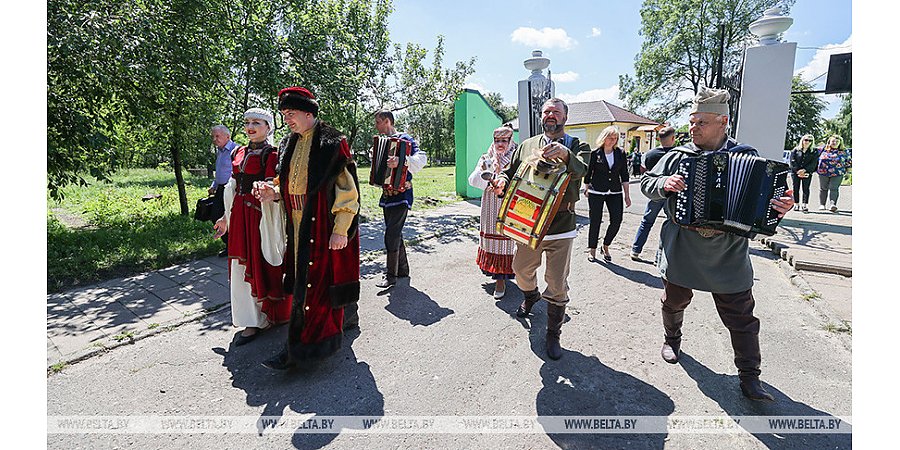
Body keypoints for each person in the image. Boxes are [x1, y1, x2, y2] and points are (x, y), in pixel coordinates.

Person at [640, 87, 794, 401]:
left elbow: (774, 197)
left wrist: (781, 206)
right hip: (683, 247)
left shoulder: (747, 156)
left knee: (741, 317)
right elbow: (646, 183)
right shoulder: (677, 155)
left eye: (701, 122)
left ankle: (750, 377)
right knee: (673, 301)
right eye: (692, 121)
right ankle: (672, 339)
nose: (692, 128)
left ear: (723, 122)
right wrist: (663, 184)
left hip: (728, 252)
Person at [254, 87, 362, 370]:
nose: (287, 119)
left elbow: (348, 191)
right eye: (284, 114)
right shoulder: (289, 143)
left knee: (315, 288)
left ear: (308, 112)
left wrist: (341, 229)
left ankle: (301, 350)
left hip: (322, 226)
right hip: (298, 226)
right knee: (306, 283)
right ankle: (326, 332)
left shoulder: (332, 143)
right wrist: (272, 191)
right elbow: (287, 181)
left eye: (290, 114)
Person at [496, 98, 589, 360]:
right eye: (547, 111)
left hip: (561, 224)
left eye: (556, 112)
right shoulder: (526, 145)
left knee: (557, 282)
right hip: (528, 223)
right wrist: (502, 182)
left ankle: (553, 333)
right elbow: (509, 171)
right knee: (521, 270)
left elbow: (584, 170)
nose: (550, 115)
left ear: (565, 118)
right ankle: (531, 295)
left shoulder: (577, 145)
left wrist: (566, 155)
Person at [212, 108, 289, 346]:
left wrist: (266, 192)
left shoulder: (272, 154)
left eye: (257, 122)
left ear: (268, 127)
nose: (251, 126)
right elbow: (232, 186)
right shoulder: (238, 151)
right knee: (238, 265)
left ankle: (266, 315)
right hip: (238, 215)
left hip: (258, 216)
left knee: (259, 262)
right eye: (247, 122)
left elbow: (273, 185)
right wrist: (225, 217)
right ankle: (249, 319)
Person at [373, 110, 428, 289]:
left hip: (402, 194)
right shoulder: (380, 143)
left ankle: (390, 275)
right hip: (387, 195)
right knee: (395, 232)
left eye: (378, 122)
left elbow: (421, 158)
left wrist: (402, 160)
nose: (376, 125)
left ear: (387, 121)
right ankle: (402, 269)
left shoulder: (406, 139)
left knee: (391, 233)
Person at [467, 125, 517, 299]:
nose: (500, 144)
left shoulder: (516, 158)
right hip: (490, 206)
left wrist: (502, 183)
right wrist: (483, 172)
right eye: (497, 140)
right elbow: (472, 180)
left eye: (504, 140)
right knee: (492, 241)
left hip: (509, 203)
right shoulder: (486, 157)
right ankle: (498, 279)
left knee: (507, 242)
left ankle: (504, 279)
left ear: (510, 141)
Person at [580, 125, 631, 262]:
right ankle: (592, 249)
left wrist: (627, 195)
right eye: (610, 137)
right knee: (595, 221)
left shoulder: (620, 153)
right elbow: (588, 173)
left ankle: (606, 245)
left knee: (617, 221)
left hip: (615, 191)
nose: (613, 140)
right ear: (604, 138)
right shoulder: (595, 153)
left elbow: (624, 175)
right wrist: (586, 187)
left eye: (615, 138)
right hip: (596, 191)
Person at [630, 126, 677, 260]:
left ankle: (636, 249)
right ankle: (659, 256)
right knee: (670, 223)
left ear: (658, 139)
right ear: (673, 138)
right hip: (672, 194)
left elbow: (645, 171)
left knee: (647, 221)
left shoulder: (650, 154)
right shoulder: (677, 153)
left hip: (655, 192)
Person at [209, 125, 237, 256]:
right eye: (213, 136)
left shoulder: (235, 150)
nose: (215, 139)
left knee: (229, 217)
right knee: (215, 216)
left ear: (228, 136)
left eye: (217, 136)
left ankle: (233, 246)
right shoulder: (220, 151)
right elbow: (220, 171)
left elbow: (236, 172)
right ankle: (229, 245)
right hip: (220, 190)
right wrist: (214, 185)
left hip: (231, 190)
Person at [816, 134, 850, 213]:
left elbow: (848, 162)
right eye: (833, 141)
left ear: (840, 143)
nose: (835, 143)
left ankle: (832, 204)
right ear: (829, 142)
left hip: (838, 172)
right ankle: (822, 204)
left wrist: (849, 173)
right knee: (823, 188)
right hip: (823, 172)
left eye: (837, 141)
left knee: (834, 188)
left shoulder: (844, 151)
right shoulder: (822, 150)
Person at [789, 134, 818, 213]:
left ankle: (805, 204)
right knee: (796, 188)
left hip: (807, 172)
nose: (807, 142)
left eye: (810, 140)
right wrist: (797, 171)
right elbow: (792, 161)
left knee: (806, 188)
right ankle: (796, 204)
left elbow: (814, 163)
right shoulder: (795, 150)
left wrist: (805, 170)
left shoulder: (814, 151)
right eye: (806, 140)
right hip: (795, 172)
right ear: (802, 140)